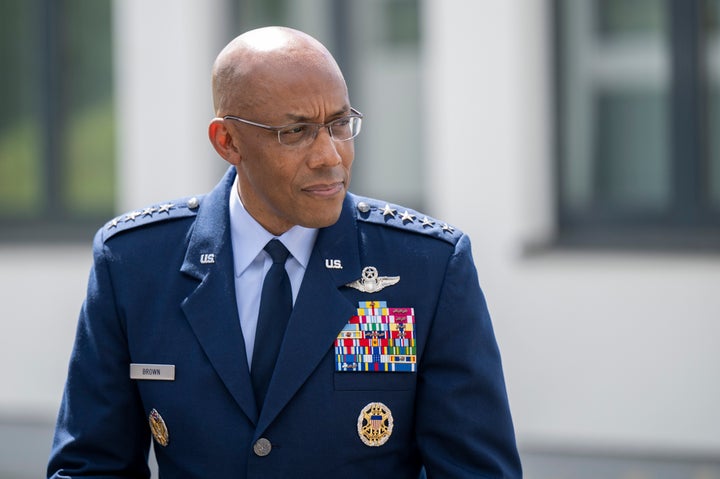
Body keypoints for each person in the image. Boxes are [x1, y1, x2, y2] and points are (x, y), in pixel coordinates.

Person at [47, 26, 522, 478]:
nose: (330, 156)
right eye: (295, 133)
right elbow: (90, 466)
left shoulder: (427, 268)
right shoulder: (135, 265)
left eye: (339, 124)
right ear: (227, 142)